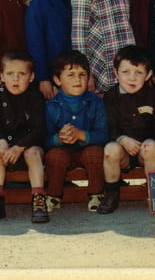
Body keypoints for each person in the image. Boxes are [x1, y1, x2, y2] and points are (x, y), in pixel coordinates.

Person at [98, 46, 155, 214]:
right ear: (116, 73)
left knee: (151, 146)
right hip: (122, 151)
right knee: (110, 149)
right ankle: (111, 193)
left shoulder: (154, 96)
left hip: (146, 153)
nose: (132, 78)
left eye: (138, 72)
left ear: (148, 75)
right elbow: (108, 126)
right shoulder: (111, 96)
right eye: (126, 72)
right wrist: (122, 139)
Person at [0, 51, 47, 223]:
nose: (15, 79)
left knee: (33, 152)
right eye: (10, 74)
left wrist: (20, 147)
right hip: (7, 147)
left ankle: (38, 199)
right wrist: (1, 142)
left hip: (28, 147)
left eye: (21, 74)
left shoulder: (35, 97)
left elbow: (39, 129)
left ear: (31, 77)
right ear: (2, 76)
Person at [44, 51, 108, 213]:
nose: (77, 80)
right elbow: (44, 140)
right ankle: (54, 195)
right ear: (57, 80)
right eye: (71, 75)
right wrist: (58, 138)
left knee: (95, 152)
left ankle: (96, 194)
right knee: (55, 155)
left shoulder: (96, 102)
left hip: (88, 151)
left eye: (82, 75)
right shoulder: (51, 106)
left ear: (89, 78)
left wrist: (82, 135)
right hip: (64, 153)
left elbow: (104, 134)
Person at [25, 0, 76, 99]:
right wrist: (43, 78)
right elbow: (35, 44)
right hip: (52, 75)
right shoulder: (38, 5)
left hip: (77, 72)